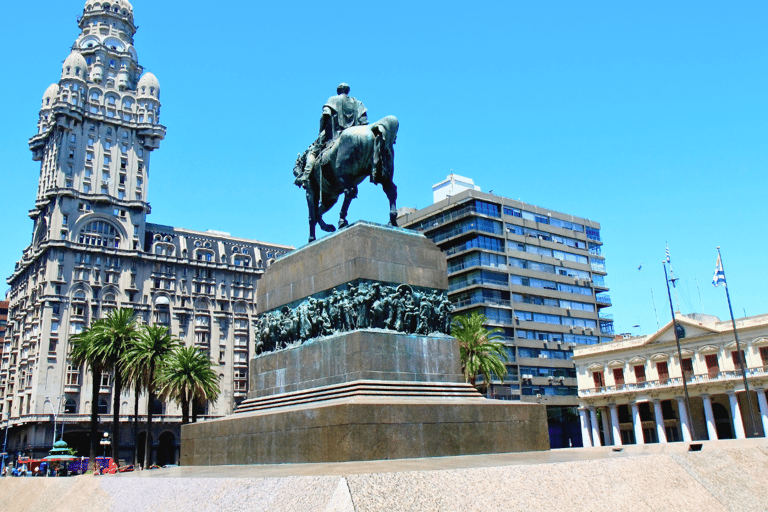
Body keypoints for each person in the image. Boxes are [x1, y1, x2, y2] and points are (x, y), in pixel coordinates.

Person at [295, 83, 368, 188]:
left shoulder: (333, 100)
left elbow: (324, 117)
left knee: (312, 152)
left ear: (338, 91)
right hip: (357, 137)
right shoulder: (358, 103)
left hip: (335, 135)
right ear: (348, 91)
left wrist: (322, 133)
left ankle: (305, 176)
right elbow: (364, 121)